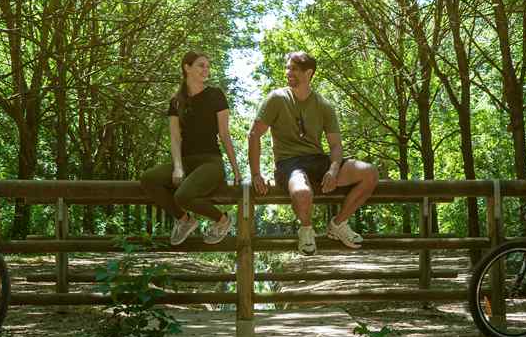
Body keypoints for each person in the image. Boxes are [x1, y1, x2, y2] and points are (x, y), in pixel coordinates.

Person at [248, 51, 378, 254]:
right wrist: (256, 173)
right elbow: (254, 135)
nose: (288, 72)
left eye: (294, 69)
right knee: (301, 191)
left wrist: (333, 170)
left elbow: (335, 145)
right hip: (289, 164)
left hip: (318, 161)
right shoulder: (276, 99)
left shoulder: (324, 105)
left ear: (309, 73)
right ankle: (307, 229)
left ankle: (338, 224)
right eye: (288, 68)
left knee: (369, 172)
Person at [140, 51, 241, 245]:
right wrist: (178, 166)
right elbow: (175, 138)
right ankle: (185, 220)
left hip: (210, 162)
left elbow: (224, 133)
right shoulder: (176, 101)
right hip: (187, 162)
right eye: (201, 65)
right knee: (148, 179)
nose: (206, 70)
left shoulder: (215, 95)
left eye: (207, 66)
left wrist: (235, 168)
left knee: (183, 195)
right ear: (187, 67)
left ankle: (222, 219)